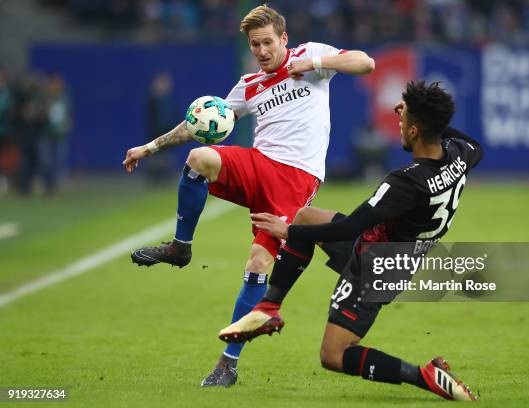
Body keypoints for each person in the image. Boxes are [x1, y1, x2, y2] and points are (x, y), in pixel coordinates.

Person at [122, 4, 374, 387]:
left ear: (283, 39)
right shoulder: (248, 84)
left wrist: (314, 63)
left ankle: (228, 363)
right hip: (257, 165)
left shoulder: (309, 57)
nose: (261, 50)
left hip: (295, 181)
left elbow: (365, 63)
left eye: (267, 42)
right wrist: (150, 147)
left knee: (258, 264)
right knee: (199, 157)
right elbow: (199, 124)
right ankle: (180, 247)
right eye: (255, 44)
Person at [219, 81, 482, 401]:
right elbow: (472, 144)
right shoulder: (459, 155)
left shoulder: (405, 183)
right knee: (305, 215)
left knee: (333, 355)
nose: (397, 123)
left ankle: (424, 375)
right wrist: (426, 120)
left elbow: (351, 226)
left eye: (403, 121)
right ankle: (269, 307)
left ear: (414, 131)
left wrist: (287, 233)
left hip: (378, 268)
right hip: (391, 247)